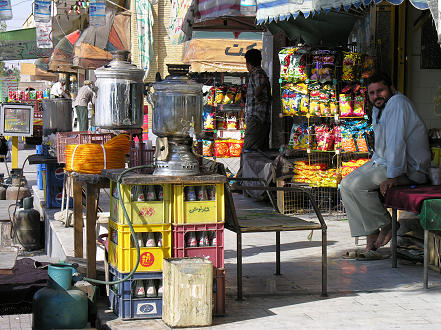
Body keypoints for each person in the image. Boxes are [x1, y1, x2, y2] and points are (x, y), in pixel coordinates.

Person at [340, 72, 431, 255]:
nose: (376, 96)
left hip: (407, 167)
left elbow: (397, 143)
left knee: (357, 187)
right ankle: (371, 237)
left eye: (380, 91)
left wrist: (393, 176)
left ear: (392, 88)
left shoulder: (398, 103)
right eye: (372, 93)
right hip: (383, 162)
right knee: (345, 185)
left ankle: (387, 225)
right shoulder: (379, 109)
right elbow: (383, 146)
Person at [243, 49, 272, 151]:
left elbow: (262, 83)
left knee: (248, 151)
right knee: (260, 152)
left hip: (257, 119)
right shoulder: (258, 73)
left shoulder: (257, 72)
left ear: (248, 63)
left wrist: (257, 95)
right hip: (261, 119)